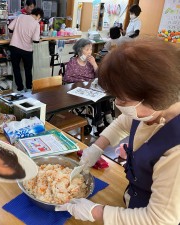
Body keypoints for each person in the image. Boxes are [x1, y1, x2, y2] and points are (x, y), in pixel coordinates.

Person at [56, 39, 180, 224]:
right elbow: (123, 123)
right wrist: (97, 148)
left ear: (154, 97)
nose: (118, 104)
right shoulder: (151, 112)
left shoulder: (176, 151)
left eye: (123, 99)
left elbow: (160, 219)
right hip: (134, 200)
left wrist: (96, 212)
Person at [63, 38, 113, 134]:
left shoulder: (90, 63)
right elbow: (66, 78)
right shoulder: (72, 62)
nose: (89, 52)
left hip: (90, 88)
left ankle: (108, 116)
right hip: (78, 90)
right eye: (87, 49)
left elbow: (100, 77)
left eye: (90, 49)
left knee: (102, 94)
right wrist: (80, 81)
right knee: (97, 98)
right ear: (79, 50)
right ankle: (99, 124)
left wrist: (94, 64)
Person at [8, 8, 44, 92]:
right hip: (27, 50)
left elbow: (10, 28)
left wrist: (17, 34)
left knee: (16, 68)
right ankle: (28, 88)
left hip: (14, 47)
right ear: (38, 15)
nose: (39, 19)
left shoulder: (20, 16)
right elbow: (35, 40)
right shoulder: (36, 24)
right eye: (40, 18)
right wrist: (39, 38)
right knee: (28, 69)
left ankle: (20, 88)